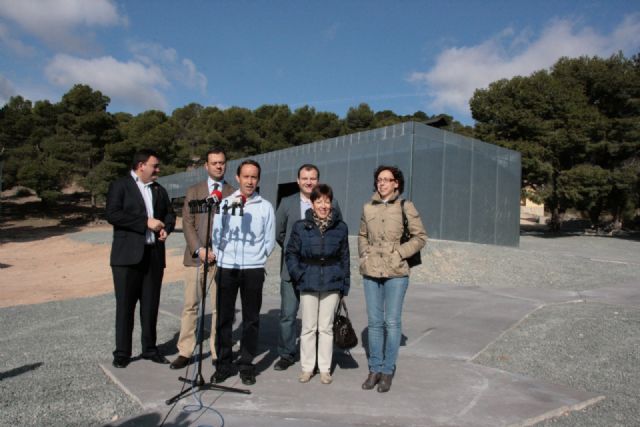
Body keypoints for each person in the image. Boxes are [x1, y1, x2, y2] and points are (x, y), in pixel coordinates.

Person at [358, 165, 426, 392]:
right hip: (371, 270)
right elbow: (362, 235)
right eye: (379, 179)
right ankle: (374, 369)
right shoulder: (367, 207)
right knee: (375, 322)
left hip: (396, 271)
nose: (382, 183)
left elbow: (420, 237)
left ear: (396, 183)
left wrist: (399, 253)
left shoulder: (406, 206)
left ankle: (387, 370)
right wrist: (364, 254)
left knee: (392, 322)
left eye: (387, 179)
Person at [106, 149, 176, 369]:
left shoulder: (158, 189)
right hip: (127, 258)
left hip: (153, 256)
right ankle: (122, 353)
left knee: (150, 305)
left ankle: (150, 349)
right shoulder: (120, 186)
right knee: (125, 306)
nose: (158, 170)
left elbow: (169, 214)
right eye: (154, 166)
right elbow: (113, 214)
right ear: (141, 166)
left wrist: (166, 228)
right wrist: (145, 222)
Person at [210, 160, 275, 385]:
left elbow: (269, 239)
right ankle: (223, 364)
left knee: (251, 319)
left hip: (253, 270)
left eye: (254, 177)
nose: (249, 181)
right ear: (237, 178)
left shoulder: (265, 207)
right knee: (224, 318)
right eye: (246, 176)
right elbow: (216, 234)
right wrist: (223, 257)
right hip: (227, 268)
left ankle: (246, 364)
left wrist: (257, 258)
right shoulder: (226, 203)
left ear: (258, 180)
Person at [169, 148, 235, 370]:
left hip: (222, 260)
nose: (218, 166)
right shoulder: (194, 191)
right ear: (206, 166)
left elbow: (234, 227)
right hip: (196, 259)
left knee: (219, 308)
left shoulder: (232, 193)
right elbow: (187, 223)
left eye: (222, 162)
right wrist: (199, 249)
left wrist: (221, 251)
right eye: (214, 163)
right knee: (191, 305)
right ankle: (185, 351)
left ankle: (217, 351)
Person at [273, 164, 341, 371]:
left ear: (318, 181)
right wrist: (296, 252)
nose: (308, 182)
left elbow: (336, 231)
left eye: (312, 178)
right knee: (288, 315)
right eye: (305, 178)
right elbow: (279, 233)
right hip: (292, 270)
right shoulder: (286, 203)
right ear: (298, 180)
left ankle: (319, 357)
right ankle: (286, 353)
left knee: (319, 319)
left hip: (320, 271)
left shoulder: (331, 203)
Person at [285, 184, 350, 385]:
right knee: (308, 328)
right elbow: (291, 253)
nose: (323, 205)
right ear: (312, 203)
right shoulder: (300, 226)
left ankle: (324, 369)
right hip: (308, 280)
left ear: (331, 203)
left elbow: (345, 257)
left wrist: (344, 283)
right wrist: (299, 274)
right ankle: (307, 368)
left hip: (332, 282)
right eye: (319, 201)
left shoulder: (341, 227)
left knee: (326, 328)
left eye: (327, 201)